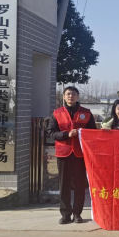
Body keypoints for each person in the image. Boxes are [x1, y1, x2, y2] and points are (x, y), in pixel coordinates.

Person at [47, 86, 97, 224]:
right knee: (64, 185)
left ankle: (77, 214)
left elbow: (93, 132)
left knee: (80, 185)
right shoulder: (57, 113)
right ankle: (65, 214)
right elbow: (51, 132)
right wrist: (66, 135)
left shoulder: (86, 113)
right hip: (64, 153)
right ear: (63, 96)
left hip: (81, 154)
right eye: (68, 94)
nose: (71, 96)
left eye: (73, 94)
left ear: (78, 96)